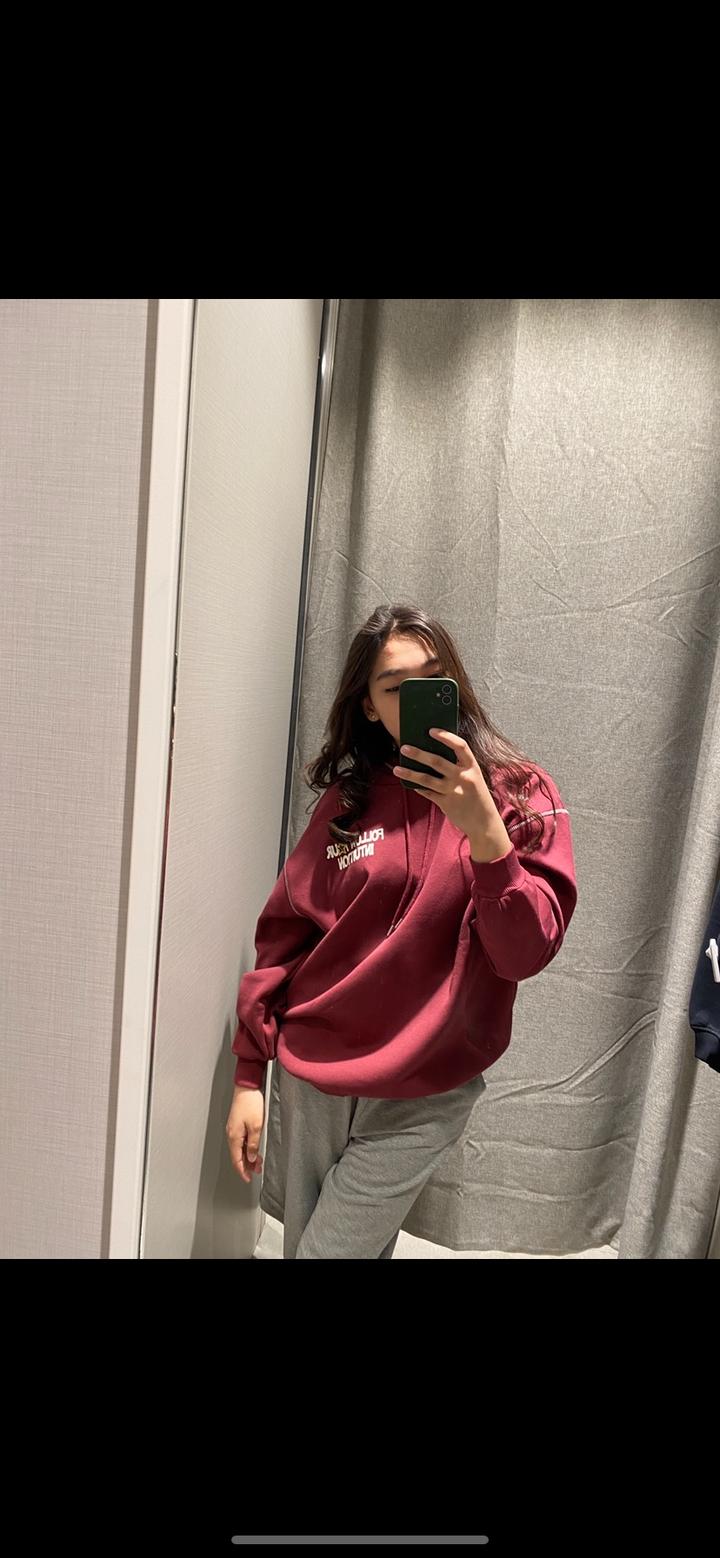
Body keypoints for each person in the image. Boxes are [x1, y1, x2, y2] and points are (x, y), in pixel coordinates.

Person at [226, 603, 578, 1258]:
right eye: (396, 687)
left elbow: (523, 954)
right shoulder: (349, 801)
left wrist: (486, 835)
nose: (420, 697)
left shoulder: (519, 795)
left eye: (434, 677)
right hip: (317, 1075)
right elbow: (285, 934)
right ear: (368, 706)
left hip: (425, 1086)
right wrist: (250, 1073)